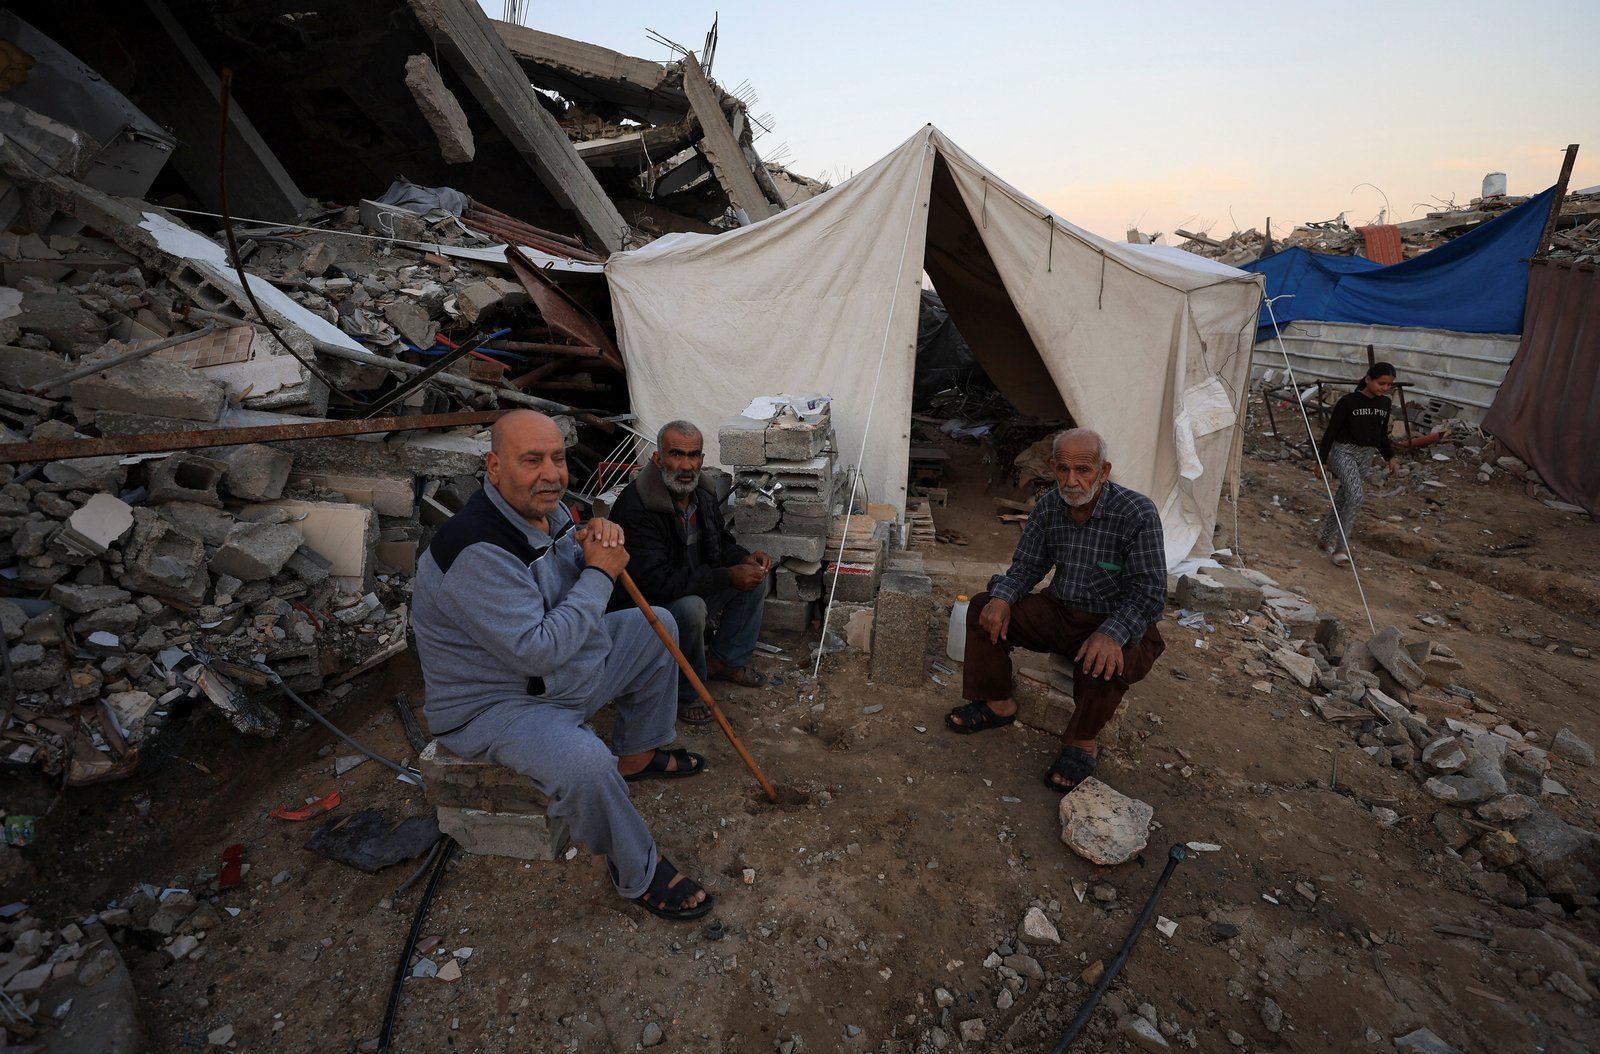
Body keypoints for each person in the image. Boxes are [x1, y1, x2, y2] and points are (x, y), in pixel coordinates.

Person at [412, 410, 713, 921]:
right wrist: (599, 572)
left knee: (657, 624)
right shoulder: (474, 549)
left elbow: (567, 587)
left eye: (557, 458)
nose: (551, 474)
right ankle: (637, 870)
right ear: (493, 466)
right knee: (585, 763)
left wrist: (591, 540)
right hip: (498, 706)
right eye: (531, 460)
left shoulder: (548, 513)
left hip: (560, 677)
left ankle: (636, 756)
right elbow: (538, 649)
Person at [944, 428, 1167, 794]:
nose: (1072, 480)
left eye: (1083, 470)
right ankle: (998, 702)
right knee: (984, 608)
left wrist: (1112, 632)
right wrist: (1003, 597)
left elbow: (1150, 592)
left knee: (1109, 659)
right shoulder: (1049, 506)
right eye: (1063, 469)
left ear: (1104, 470)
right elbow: (1028, 566)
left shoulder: (1136, 512)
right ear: (1052, 468)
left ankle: (1082, 741)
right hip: (1060, 611)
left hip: (1114, 620)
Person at [610, 420, 773, 723]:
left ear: (702, 459)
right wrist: (726, 576)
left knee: (754, 578)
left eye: (693, 455)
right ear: (658, 459)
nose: (686, 466)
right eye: (676, 454)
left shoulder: (702, 492)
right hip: (643, 606)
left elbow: (720, 543)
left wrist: (744, 558)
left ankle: (726, 660)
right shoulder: (637, 505)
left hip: (691, 584)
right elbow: (654, 582)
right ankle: (688, 691)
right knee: (691, 608)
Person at [1313, 362, 1398, 567]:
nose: (1384, 388)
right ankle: (1341, 548)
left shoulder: (1384, 404)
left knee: (1345, 497)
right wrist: (1321, 460)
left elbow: (1381, 434)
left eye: (1389, 385)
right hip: (1344, 453)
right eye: (1381, 383)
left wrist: (1390, 457)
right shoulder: (1348, 402)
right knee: (1356, 496)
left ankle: (1325, 539)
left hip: (1366, 456)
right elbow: (1331, 432)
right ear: (1368, 379)